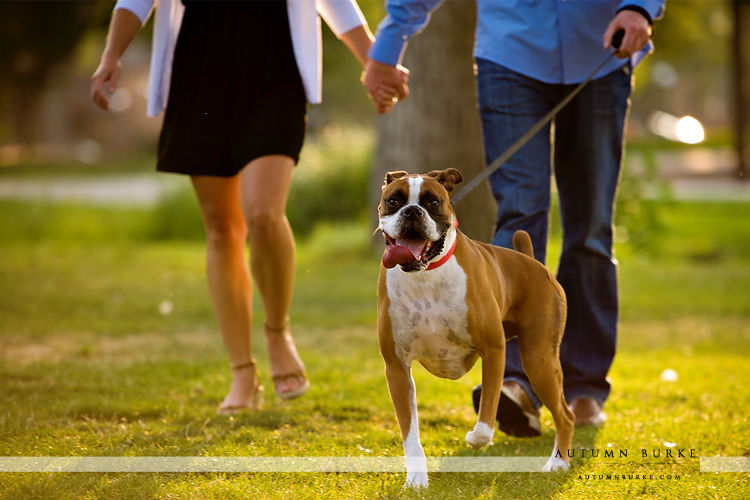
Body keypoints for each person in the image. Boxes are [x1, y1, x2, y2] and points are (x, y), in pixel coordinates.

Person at [363, 0, 664, 433]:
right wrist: (387, 46)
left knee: (592, 226)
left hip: (601, 53)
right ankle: (515, 383)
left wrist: (639, 7)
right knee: (520, 210)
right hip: (510, 55)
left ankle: (582, 385)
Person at [91, 0, 399, 414]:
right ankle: (242, 371)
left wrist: (373, 62)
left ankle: (277, 332)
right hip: (199, 69)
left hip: (274, 67)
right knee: (221, 226)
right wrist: (111, 55)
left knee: (263, 215)